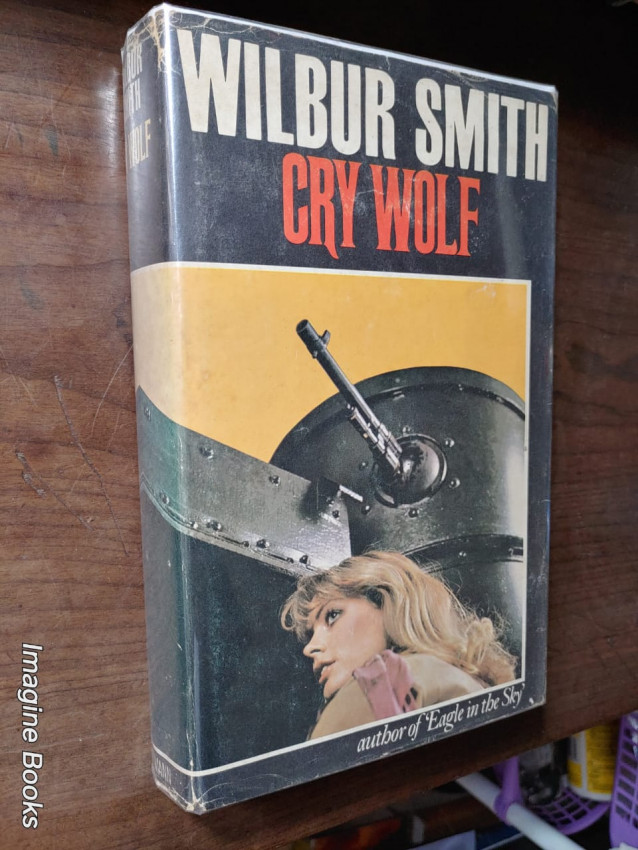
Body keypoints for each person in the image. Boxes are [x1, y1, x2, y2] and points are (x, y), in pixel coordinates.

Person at [281, 550, 516, 739]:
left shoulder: (383, 680)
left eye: (332, 615)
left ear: (386, 601)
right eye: (311, 634)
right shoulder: (470, 687)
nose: (310, 648)